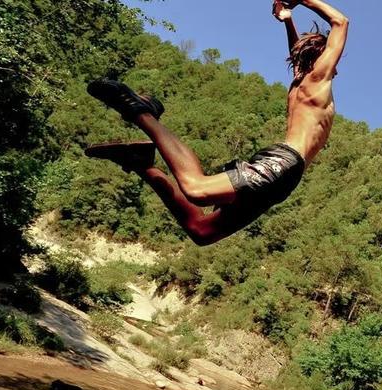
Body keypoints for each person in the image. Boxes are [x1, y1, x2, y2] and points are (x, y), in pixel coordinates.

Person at [84, 0, 348, 245]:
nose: (336, 66)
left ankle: (141, 163)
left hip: (285, 176)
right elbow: (341, 22)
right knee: (196, 189)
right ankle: (143, 114)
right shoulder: (318, 79)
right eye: (331, 57)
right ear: (322, 57)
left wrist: (288, 20)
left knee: (202, 230)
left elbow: (298, 55)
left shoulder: (302, 83)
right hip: (283, 165)